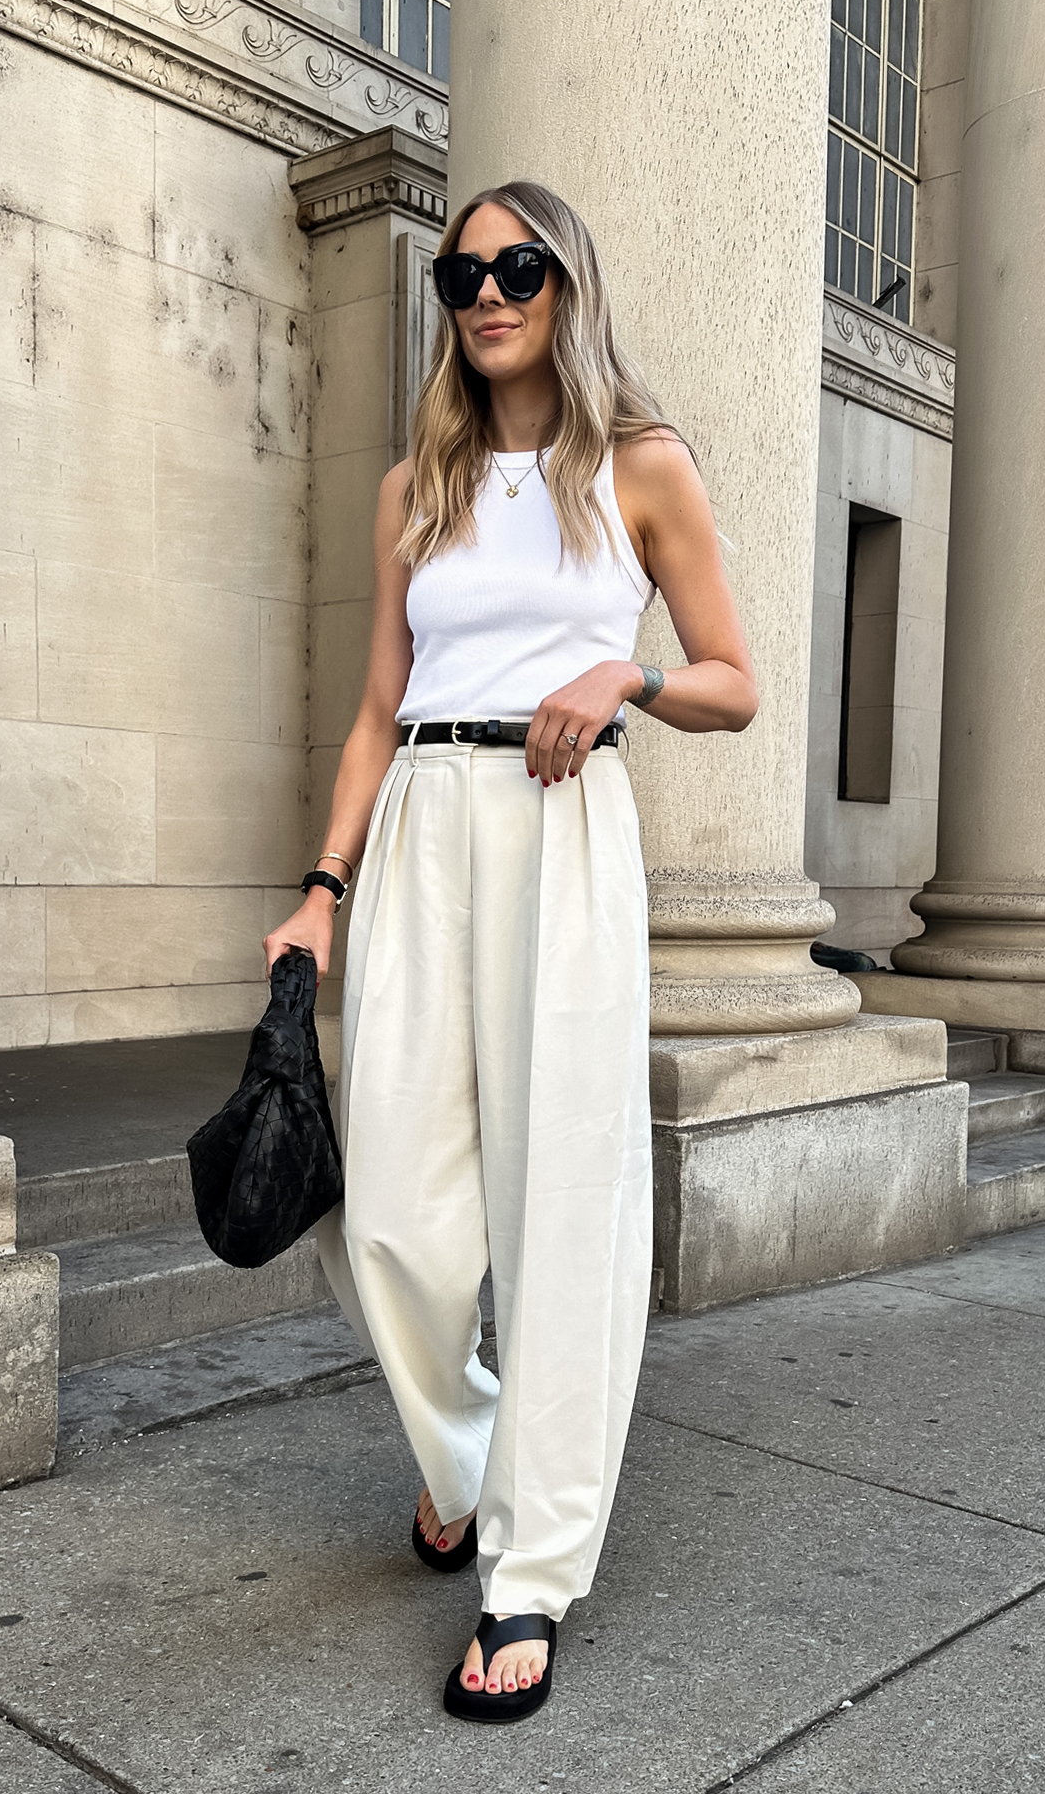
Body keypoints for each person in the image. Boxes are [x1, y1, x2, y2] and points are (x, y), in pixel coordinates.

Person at [264, 180, 757, 1723]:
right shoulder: (416, 486)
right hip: (420, 826)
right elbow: (369, 715)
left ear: (566, 285)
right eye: (462, 274)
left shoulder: (643, 470)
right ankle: (468, 1457)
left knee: (564, 1205)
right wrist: (319, 888)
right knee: (396, 1213)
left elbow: (738, 683)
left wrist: (630, 678)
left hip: (564, 831)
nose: (487, 294)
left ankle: (530, 1568)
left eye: (518, 269)